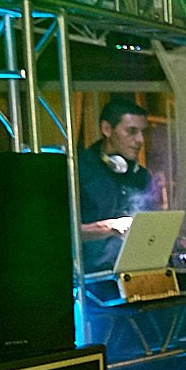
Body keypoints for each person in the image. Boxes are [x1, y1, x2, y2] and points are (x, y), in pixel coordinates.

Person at [77, 97, 153, 272]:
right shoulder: (78, 170)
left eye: (143, 132)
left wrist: (182, 244)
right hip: (91, 279)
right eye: (132, 131)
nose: (140, 140)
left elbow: (150, 230)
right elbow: (59, 232)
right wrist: (109, 227)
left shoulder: (141, 176)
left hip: (136, 274)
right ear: (107, 129)